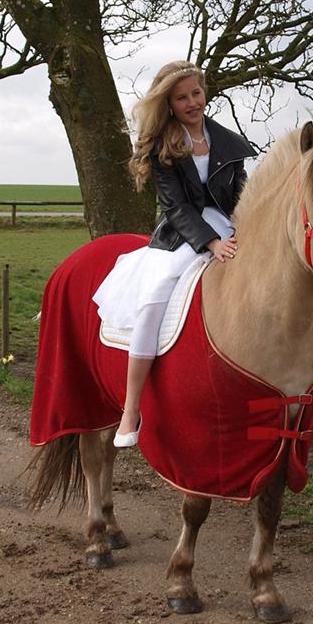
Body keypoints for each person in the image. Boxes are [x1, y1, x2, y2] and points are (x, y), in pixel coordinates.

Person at [92, 61, 254, 448]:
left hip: (230, 227)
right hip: (181, 234)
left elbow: (242, 197)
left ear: (205, 91)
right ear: (170, 102)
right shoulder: (164, 146)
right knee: (154, 298)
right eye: (182, 98)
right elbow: (175, 207)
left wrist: (246, 234)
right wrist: (210, 243)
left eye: (196, 93)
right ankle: (131, 407)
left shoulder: (229, 143)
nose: (192, 102)